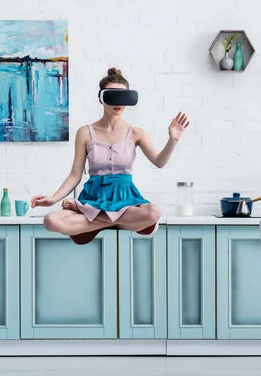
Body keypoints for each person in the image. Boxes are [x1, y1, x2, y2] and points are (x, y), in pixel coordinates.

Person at [30, 68, 190, 245]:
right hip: (93, 197)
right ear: (101, 98)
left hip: (126, 198)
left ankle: (92, 219)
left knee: (153, 213)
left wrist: (173, 140)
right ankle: (118, 222)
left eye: (123, 96)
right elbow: (75, 175)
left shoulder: (137, 133)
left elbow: (159, 162)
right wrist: (53, 198)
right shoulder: (85, 132)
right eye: (112, 95)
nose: (118, 102)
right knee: (51, 221)